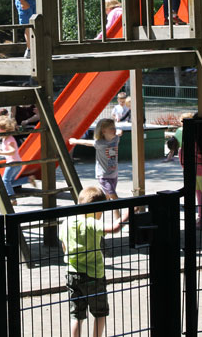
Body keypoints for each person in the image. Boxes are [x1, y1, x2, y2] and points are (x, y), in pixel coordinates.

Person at [59, 186, 129, 337]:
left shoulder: (66, 222)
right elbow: (115, 228)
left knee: (76, 315)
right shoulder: (90, 222)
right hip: (94, 276)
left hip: (72, 274)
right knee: (100, 313)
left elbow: (64, 246)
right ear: (97, 210)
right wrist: (128, 213)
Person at [69, 119, 123, 219]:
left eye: (114, 127)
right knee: (114, 197)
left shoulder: (116, 139)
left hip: (114, 174)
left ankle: (96, 219)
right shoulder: (100, 143)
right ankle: (119, 220)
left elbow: (119, 133)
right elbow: (87, 142)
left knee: (105, 199)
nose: (114, 130)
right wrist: (75, 141)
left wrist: (119, 131)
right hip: (103, 176)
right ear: (103, 131)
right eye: (111, 128)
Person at [0, 115, 36, 205]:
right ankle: (28, 179)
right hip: (16, 163)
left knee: (5, 181)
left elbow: (12, 151)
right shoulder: (6, 139)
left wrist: (1, 153)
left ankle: (12, 199)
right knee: (10, 182)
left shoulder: (9, 139)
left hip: (13, 163)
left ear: (4, 130)